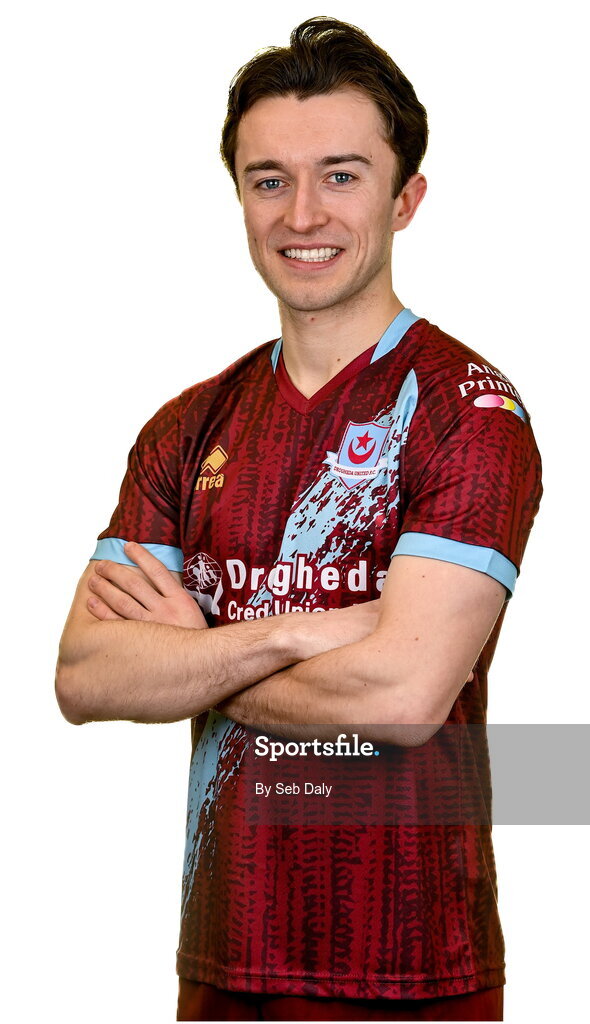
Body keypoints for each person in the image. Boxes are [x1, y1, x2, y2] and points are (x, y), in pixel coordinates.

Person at [55, 16, 542, 1022]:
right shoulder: (186, 427)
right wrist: (291, 632)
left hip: (408, 967)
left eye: (342, 174)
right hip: (222, 955)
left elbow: (401, 692)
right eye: (268, 178)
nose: (301, 213)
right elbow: (86, 673)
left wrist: (194, 658)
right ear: (236, 195)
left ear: (406, 198)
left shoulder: (468, 410)